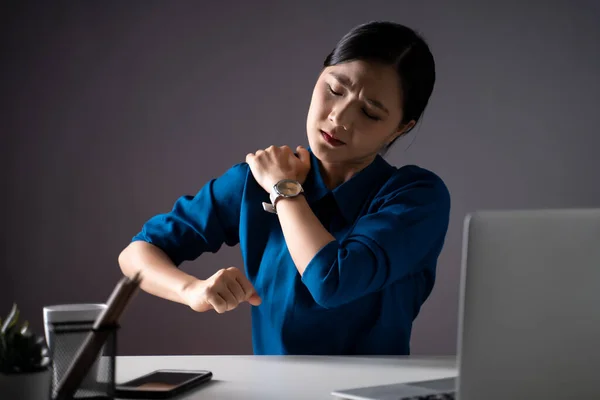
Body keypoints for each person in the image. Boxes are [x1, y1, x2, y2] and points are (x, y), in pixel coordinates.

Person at [118, 20, 450, 355]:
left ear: (400, 129)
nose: (340, 117)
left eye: (369, 112)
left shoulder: (415, 197)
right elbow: (136, 253)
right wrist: (193, 291)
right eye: (334, 90)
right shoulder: (252, 181)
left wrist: (283, 189)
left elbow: (330, 281)